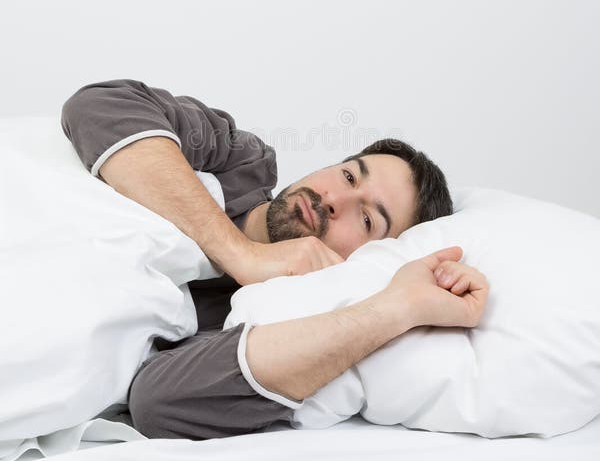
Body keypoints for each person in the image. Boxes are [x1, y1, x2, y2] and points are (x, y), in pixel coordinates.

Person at [62, 79, 487, 441]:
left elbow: (158, 403)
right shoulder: (236, 161)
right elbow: (99, 106)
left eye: (366, 218)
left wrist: (398, 307)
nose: (334, 199)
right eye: (349, 175)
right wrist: (241, 253)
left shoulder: (270, 319)